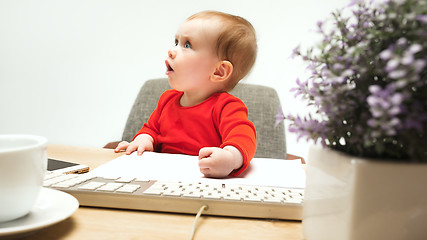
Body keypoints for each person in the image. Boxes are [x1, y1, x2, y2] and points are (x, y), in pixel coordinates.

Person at [115, 11, 257, 178]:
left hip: (201, 181)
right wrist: (143, 140)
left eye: (187, 45)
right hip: (161, 177)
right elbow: (151, 130)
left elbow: (243, 138)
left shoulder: (227, 107)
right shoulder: (167, 99)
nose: (171, 51)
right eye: (176, 42)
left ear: (219, 71)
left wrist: (231, 157)